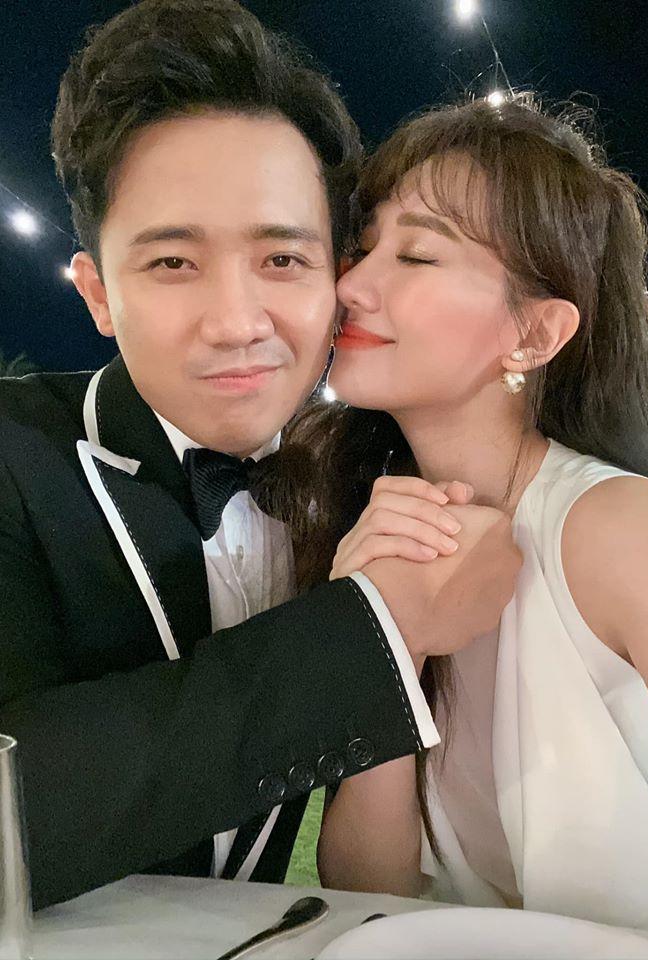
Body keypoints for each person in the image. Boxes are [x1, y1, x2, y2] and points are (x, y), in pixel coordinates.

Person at [0, 1, 522, 910]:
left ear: (337, 283)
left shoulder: (353, 487)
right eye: (173, 263)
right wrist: (365, 633)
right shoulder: (16, 454)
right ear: (98, 295)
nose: (238, 323)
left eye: (283, 261)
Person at [296, 96, 648, 937]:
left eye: (416, 254)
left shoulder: (617, 531)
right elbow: (367, 886)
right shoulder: (382, 530)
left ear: (533, 334)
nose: (350, 284)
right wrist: (386, 640)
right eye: (364, 247)